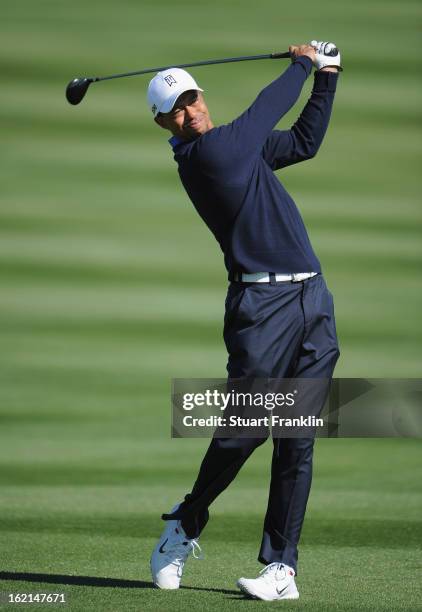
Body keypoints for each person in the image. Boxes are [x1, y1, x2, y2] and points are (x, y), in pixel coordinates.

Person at [148, 41, 341, 601]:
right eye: (176, 109)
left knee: (297, 438)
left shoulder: (233, 147)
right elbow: (265, 111)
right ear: (163, 122)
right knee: (244, 431)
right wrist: (304, 62)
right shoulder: (208, 156)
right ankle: (184, 524)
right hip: (262, 313)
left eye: (192, 99)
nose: (189, 111)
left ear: (201, 96)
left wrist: (327, 77)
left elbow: (303, 142)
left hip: (312, 300)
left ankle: (281, 569)